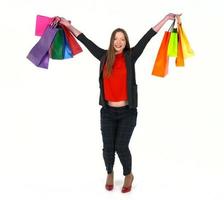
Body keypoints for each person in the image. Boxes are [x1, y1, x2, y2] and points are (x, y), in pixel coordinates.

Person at [59, 13, 179, 193]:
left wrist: (166, 18)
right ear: (111, 41)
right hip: (107, 112)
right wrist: (67, 26)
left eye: (122, 39)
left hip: (127, 112)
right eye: (116, 38)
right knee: (108, 148)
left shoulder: (131, 56)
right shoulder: (103, 56)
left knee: (121, 146)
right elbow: (84, 39)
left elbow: (149, 36)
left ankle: (128, 174)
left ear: (126, 42)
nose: (119, 41)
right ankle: (109, 172)